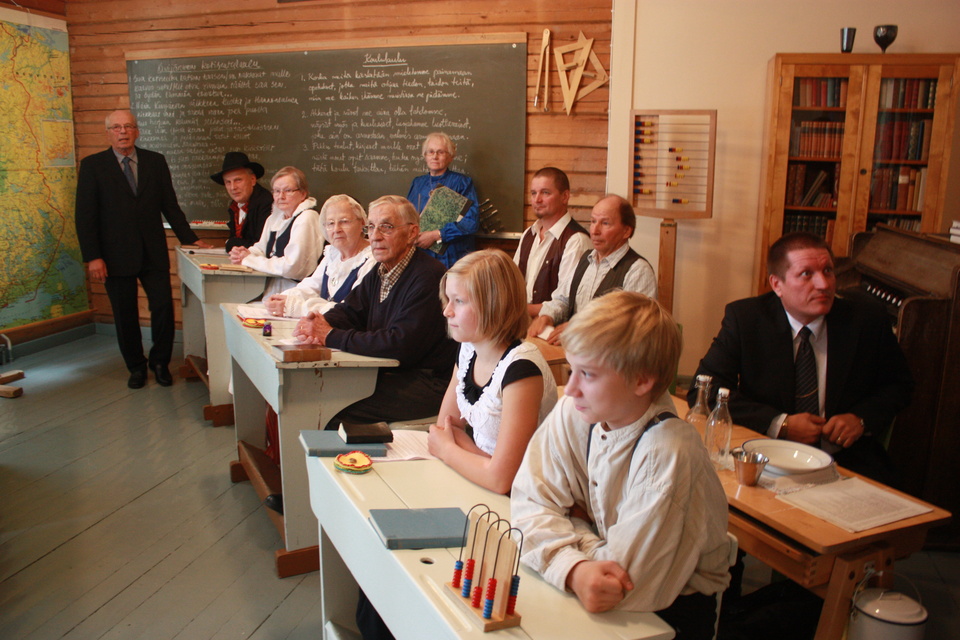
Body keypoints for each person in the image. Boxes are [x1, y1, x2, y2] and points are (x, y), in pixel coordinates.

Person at [511, 291, 730, 639]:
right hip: (602, 597)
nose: (571, 388)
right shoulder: (579, 409)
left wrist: (572, 521)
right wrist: (574, 568)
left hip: (669, 615)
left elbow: (620, 584)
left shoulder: (667, 452)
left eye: (588, 374)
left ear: (642, 380)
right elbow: (528, 502)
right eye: (572, 369)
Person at [688, 231, 913, 485]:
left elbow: (900, 385)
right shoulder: (746, 319)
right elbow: (704, 389)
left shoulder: (866, 319)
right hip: (768, 459)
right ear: (777, 285)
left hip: (846, 461)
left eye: (828, 271)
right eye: (807, 274)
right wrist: (779, 423)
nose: (823, 284)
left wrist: (860, 419)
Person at [75, 109, 212, 389]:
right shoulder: (93, 165)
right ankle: (136, 367)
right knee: (125, 315)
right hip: (113, 256)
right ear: (108, 133)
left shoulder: (155, 161)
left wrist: (190, 238)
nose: (123, 132)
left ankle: (160, 363)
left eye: (128, 126)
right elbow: (85, 216)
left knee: (163, 308)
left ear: (137, 131)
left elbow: (170, 205)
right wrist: (93, 257)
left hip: (152, 252)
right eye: (116, 127)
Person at [293, 195, 457, 429]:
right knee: (315, 393)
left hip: (428, 383)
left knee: (330, 410)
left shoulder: (429, 276)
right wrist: (316, 324)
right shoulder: (380, 271)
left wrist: (329, 335)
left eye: (386, 227)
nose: (375, 236)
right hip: (392, 373)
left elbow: (398, 345)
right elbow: (349, 312)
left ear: (412, 233)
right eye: (371, 227)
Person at [427, 250, 558, 494]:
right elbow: (446, 427)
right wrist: (485, 465)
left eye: (459, 301)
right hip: (481, 483)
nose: (447, 311)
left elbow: (502, 481)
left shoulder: (522, 368)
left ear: (493, 305)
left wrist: (448, 451)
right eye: (448, 299)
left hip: (527, 498)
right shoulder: (469, 348)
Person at [528, 195, 657, 345]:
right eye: (593, 221)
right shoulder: (586, 259)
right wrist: (546, 316)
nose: (595, 231)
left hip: (609, 358)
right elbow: (562, 299)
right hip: (573, 352)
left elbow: (635, 327)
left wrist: (582, 329)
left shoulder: (638, 271)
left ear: (626, 231)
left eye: (605, 223)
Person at [264, 194, 376, 318]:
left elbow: (348, 310)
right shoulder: (332, 254)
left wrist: (295, 307)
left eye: (344, 221)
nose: (336, 229)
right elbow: (310, 287)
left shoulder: (372, 260)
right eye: (330, 223)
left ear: (362, 223)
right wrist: (282, 298)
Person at [229, 166, 324, 297]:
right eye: (277, 191)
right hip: (273, 290)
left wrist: (249, 260)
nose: (281, 196)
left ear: (303, 194)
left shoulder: (307, 218)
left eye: (288, 191)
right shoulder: (275, 218)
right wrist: (244, 253)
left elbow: (293, 268)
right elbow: (261, 249)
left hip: (297, 294)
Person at [513, 167, 591, 317]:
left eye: (545, 193)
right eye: (533, 193)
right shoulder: (529, 234)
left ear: (565, 196)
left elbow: (565, 304)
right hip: (523, 322)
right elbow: (512, 282)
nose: (537, 200)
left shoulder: (576, 240)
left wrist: (516, 311)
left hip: (553, 327)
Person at [406, 131, 480, 268]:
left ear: (450, 157)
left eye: (440, 152)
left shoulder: (462, 183)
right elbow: (407, 218)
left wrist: (437, 235)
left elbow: (470, 223)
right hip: (421, 255)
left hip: (452, 257)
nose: (435, 156)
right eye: (431, 152)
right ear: (425, 155)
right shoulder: (417, 183)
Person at [210, 151, 273, 253]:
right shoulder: (234, 206)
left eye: (238, 180)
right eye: (228, 182)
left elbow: (259, 247)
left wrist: (230, 243)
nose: (233, 187)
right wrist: (232, 243)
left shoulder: (266, 203)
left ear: (252, 180)